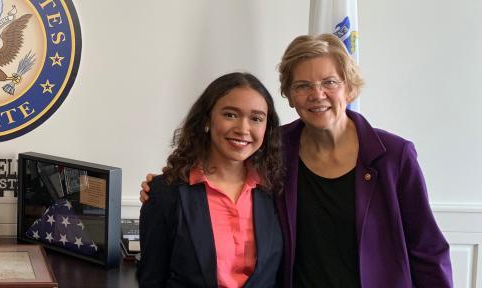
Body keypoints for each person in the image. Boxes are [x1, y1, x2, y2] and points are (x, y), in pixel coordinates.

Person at [140, 34, 453, 287]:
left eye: (329, 82)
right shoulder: (277, 148)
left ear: (348, 86)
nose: (317, 94)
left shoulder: (393, 155)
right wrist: (164, 188)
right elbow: (223, 160)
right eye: (302, 85)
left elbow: (427, 251)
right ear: (289, 96)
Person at [137, 72, 284, 288]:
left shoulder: (276, 190)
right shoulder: (165, 192)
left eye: (256, 118)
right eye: (230, 114)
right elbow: (151, 280)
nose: (243, 129)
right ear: (207, 119)